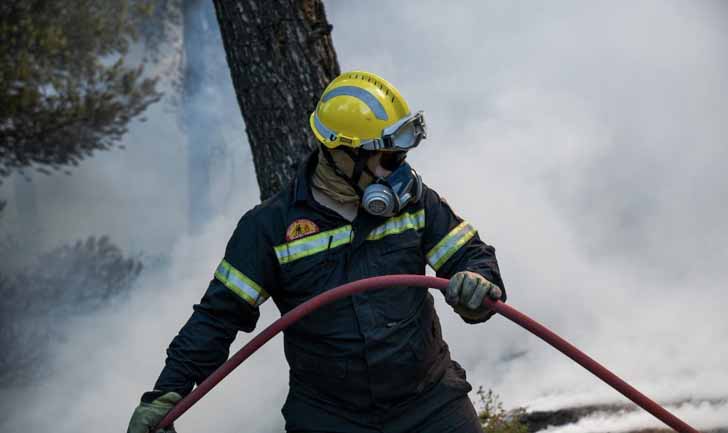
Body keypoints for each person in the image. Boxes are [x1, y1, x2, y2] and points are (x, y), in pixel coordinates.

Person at [127, 71, 506, 433]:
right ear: (342, 155)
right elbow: (217, 318)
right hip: (330, 418)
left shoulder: (415, 203)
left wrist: (477, 282)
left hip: (431, 404)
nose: (399, 171)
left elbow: (470, 255)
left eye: (402, 157)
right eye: (388, 160)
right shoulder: (269, 228)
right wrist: (167, 392)